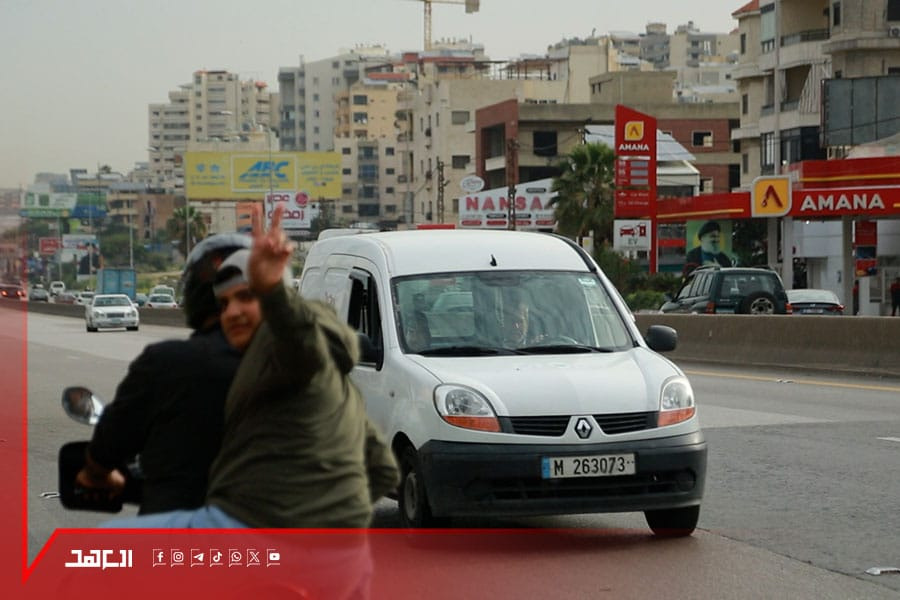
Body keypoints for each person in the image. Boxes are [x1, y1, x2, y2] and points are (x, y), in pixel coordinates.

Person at [101, 204, 399, 528]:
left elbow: (300, 343)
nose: (233, 312)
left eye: (248, 295)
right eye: (225, 302)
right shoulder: (329, 379)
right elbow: (382, 471)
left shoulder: (283, 360)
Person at [75, 233, 252, 514]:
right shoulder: (302, 367)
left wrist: (97, 475)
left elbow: (107, 447)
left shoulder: (164, 363)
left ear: (193, 294)